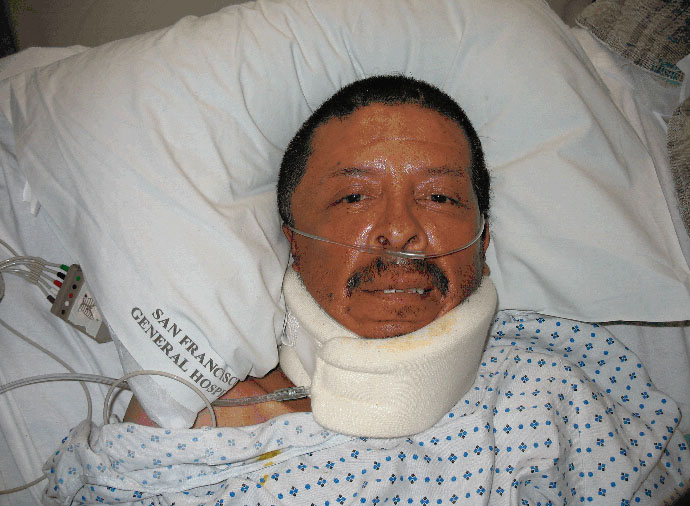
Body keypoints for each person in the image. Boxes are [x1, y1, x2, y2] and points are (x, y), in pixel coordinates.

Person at [49, 76, 688, 505]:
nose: (400, 228)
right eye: (354, 196)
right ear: (291, 237)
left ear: (484, 238)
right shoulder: (192, 434)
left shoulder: (559, 387)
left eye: (441, 197)